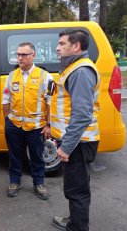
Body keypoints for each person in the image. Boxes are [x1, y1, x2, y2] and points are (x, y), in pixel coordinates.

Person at [51, 29, 100, 231]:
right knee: (74, 187)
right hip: (76, 141)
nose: (57, 47)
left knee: (77, 190)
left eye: (62, 43)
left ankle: (78, 227)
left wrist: (67, 146)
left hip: (79, 142)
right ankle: (75, 221)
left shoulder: (80, 71)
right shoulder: (74, 68)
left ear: (76, 46)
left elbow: (81, 115)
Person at [2, 42, 52, 199]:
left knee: (37, 156)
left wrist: (48, 125)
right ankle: (14, 182)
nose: (20, 58)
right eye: (18, 54)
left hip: (36, 127)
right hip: (14, 125)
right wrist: (7, 121)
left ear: (33, 55)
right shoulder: (12, 76)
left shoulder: (45, 77)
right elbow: (6, 99)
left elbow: (51, 103)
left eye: (24, 54)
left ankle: (39, 183)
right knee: (15, 155)